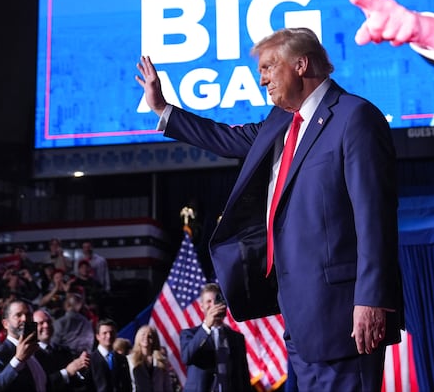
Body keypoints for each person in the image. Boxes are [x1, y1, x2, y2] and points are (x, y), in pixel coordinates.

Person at [136, 26, 403, 390]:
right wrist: (164, 109)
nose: (261, 80)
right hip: (298, 313)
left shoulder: (354, 118)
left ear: (300, 64)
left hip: (345, 313)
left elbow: (374, 217)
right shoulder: (280, 124)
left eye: (267, 68)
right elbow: (227, 138)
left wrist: (371, 299)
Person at [179, 284, 251, 392]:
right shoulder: (189, 334)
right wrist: (206, 327)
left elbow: (243, 376)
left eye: (216, 300)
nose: (213, 305)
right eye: (208, 301)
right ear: (201, 306)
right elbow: (187, 357)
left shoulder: (236, 338)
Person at [0, 299, 46, 392]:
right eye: (18, 315)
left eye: (28, 315)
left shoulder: (39, 352)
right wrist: (17, 360)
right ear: (5, 324)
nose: (24, 319)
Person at [32, 307, 91, 389]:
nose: (46, 325)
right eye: (41, 323)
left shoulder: (63, 350)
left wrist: (80, 367)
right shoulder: (30, 354)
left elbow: (77, 383)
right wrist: (67, 372)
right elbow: (39, 384)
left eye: (49, 322)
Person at [88, 319, 131, 392]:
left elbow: (127, 385)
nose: (109, 336)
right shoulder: (90, 360)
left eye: (112, 332)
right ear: (97, 336)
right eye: (105, 333)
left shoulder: (122, 359)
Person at [127, 325, 174, 392]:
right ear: (138, 337)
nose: (146, 338)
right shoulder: (129, 360)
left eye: (150, 336)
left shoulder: (161, 360)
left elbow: (167, 385)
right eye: (143, 335)